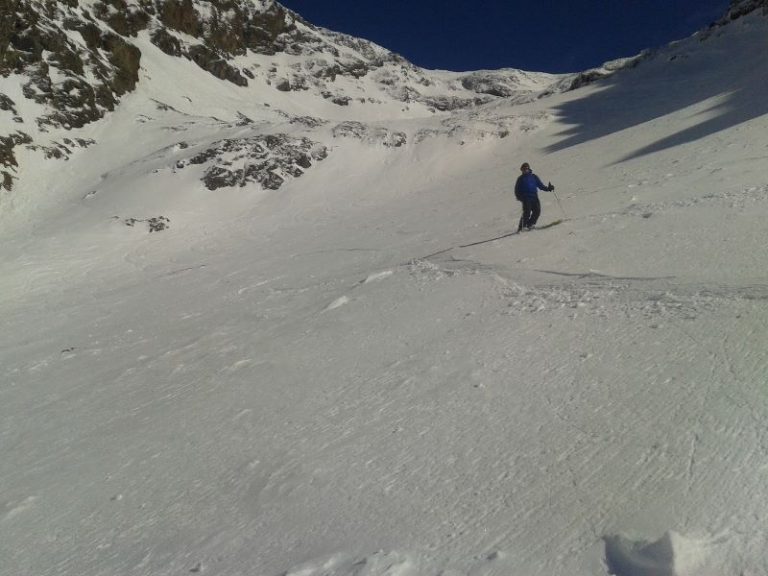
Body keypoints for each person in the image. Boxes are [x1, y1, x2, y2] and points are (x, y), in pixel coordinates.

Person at [514, 162, 554, 231]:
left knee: (537, 211)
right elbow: (517, 190)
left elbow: (540, 185)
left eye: (526, 169)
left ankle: (530, 224)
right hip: (526, 197)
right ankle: (521, 228)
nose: (525, 170)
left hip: (534, 196)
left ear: (528, 169)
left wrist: (548, 188)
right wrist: (520, 197)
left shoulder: (534, 177)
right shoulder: (520, 179)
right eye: (523, 169)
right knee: (527, 212)